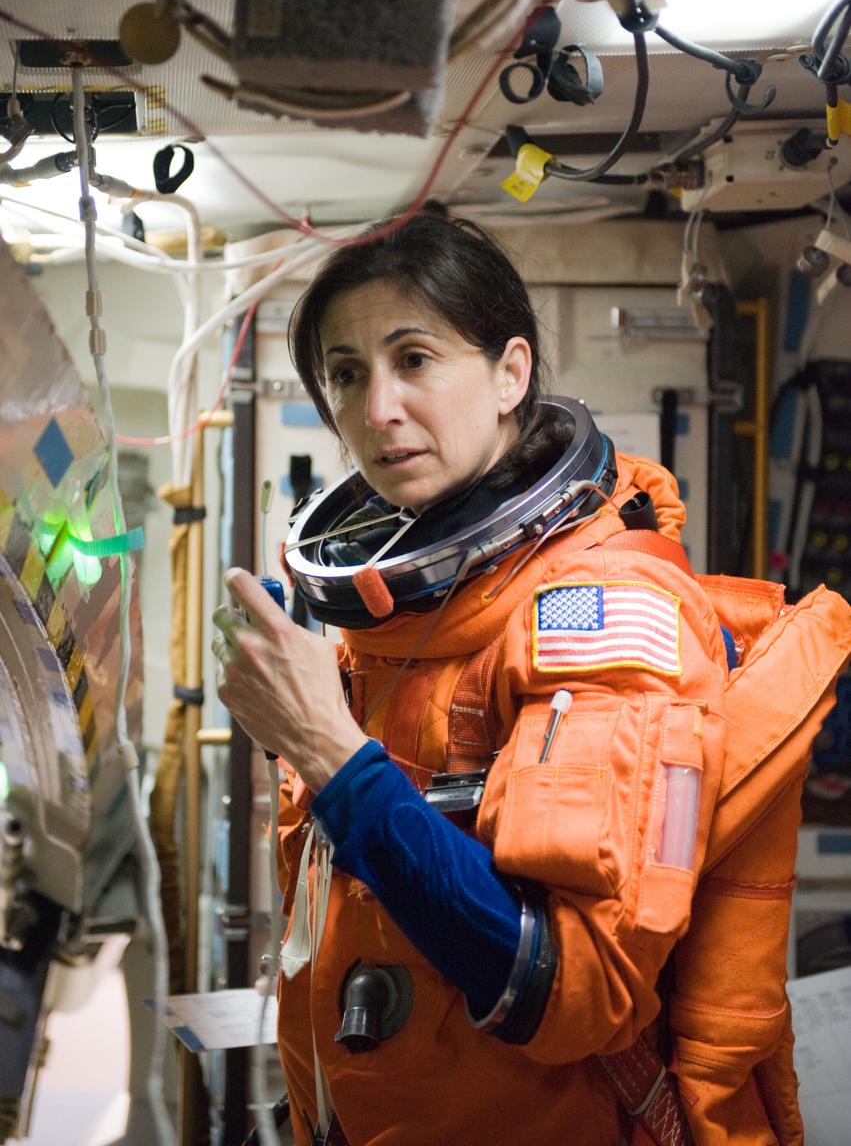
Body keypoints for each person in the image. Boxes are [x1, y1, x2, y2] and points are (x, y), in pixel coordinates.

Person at [210, 212, 797, 1146]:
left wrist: (332, 755)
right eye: (347, 373)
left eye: (414, 358)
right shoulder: (406, 617)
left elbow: (579, 990)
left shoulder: (600, 613)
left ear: (510, 374)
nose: (377, 409)